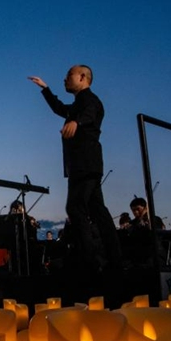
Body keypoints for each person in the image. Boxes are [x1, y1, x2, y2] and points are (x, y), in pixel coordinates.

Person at [29, 66, 121, 273]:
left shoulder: (89, 100)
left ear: (82, 77)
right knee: (98, 211)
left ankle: (89, 261)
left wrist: (76, 122)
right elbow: (60, 109)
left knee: (75, 208)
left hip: (85, 164)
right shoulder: (79, 102)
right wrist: (45, 89)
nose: (65, 79)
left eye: (69, 75)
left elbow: (91, 113)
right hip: (85, 165)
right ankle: (114, 260)